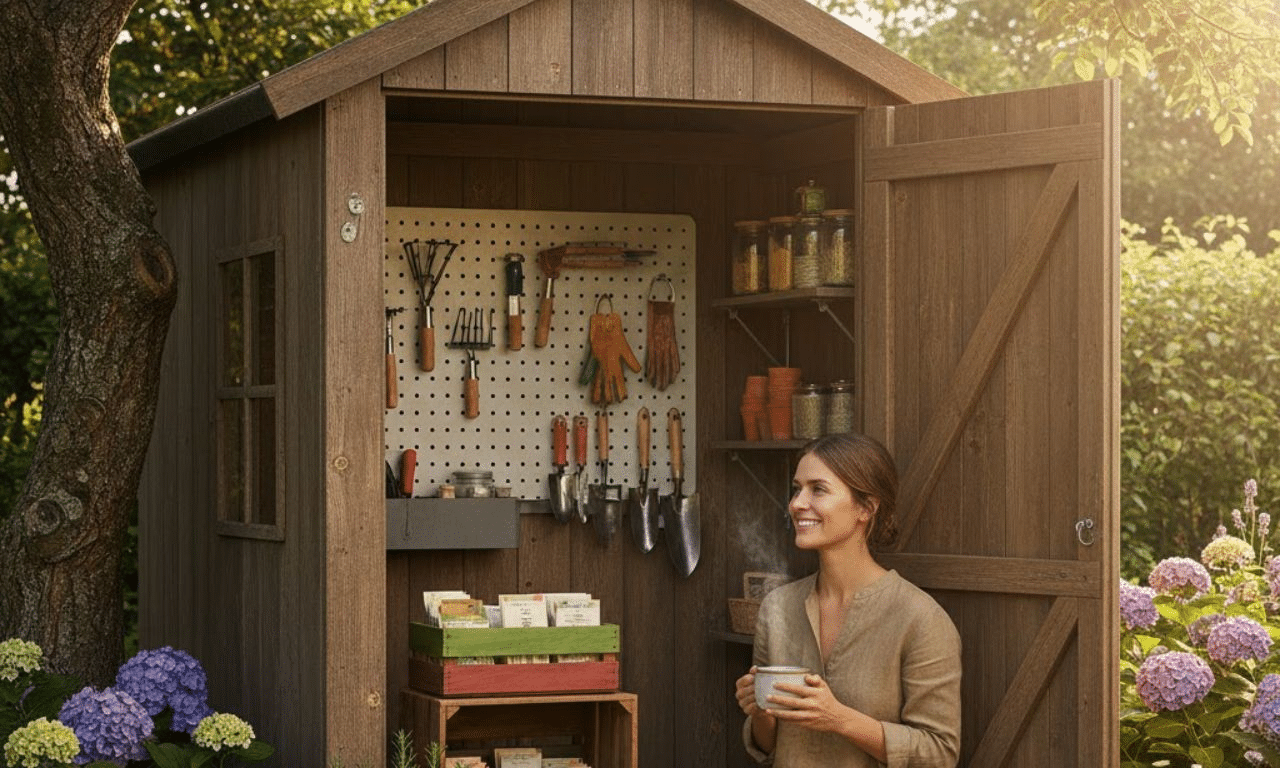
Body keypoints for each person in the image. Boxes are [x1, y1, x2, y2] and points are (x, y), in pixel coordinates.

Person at [734, 432, 961, 767]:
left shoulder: (920, 619)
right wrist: (760, 712)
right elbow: (769, 747)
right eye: (797, 488)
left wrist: (838, 719)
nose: (796, 503)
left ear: (865, 508)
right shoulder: (777, 607)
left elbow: (939, 754)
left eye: (818, 489)